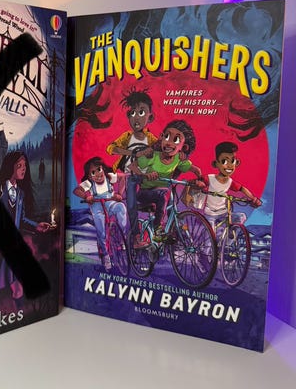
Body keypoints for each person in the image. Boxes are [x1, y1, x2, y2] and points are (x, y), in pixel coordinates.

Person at [0, 151, 52, 308]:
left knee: (17, 286)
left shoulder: (20, 193)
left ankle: (18, 310)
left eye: (25, 165)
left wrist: (36, 225)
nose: (23, 169)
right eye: (19, 165)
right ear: (10, 167)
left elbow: (21, 219)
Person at [131, 119, 203, 242]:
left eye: (176, 140)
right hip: (145, 193)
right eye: (167, 137)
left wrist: (200, 180)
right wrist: (145, 175)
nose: (169, 143)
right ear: (162, 137)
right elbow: (133, 166)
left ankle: (173, 233)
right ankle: (157, 229)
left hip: (164, 193)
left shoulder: (178, 159)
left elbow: (196, 170)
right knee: (164, 194)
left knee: (170, 201)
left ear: (183, 147)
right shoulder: (153, 155)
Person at [106, 88, 158, 243]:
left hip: (147, 177)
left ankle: (158, 232)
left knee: (162, 199)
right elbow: (111, 148)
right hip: (131, 176)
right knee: (131, 205)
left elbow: (162, 151)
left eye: (141, 112)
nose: (136, 117)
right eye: (132, 113)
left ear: (150, 117)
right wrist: (132, 153)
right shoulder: (127, 137)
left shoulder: (151, 139)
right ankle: (136, 236)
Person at [73, 156, 128, 270]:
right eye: (93, 172)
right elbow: (76, 190)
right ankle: (105, 254)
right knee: (101, 231)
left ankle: (121, 237)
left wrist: (119, 193)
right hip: (97, 205)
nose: (98, 174)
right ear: (89, 176)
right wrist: (86, 197)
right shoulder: (89, 183)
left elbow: (123, 177)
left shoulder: (109, 177)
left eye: (99, 169)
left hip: (110, 202)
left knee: (121, 207)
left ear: (103, 168)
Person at [199, 141, 262, 229]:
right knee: (210, 234)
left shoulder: (230, 182)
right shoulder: (210, 178)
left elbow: (242, 189)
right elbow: (199, 181)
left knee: (241, 217)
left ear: (237, 163)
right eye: (224, 161)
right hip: (210, 214)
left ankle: (231, 237)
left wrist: (253, 198)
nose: (229, 165)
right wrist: (200, 184)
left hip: (224, 213)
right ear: (216, 164)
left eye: (232, 161)